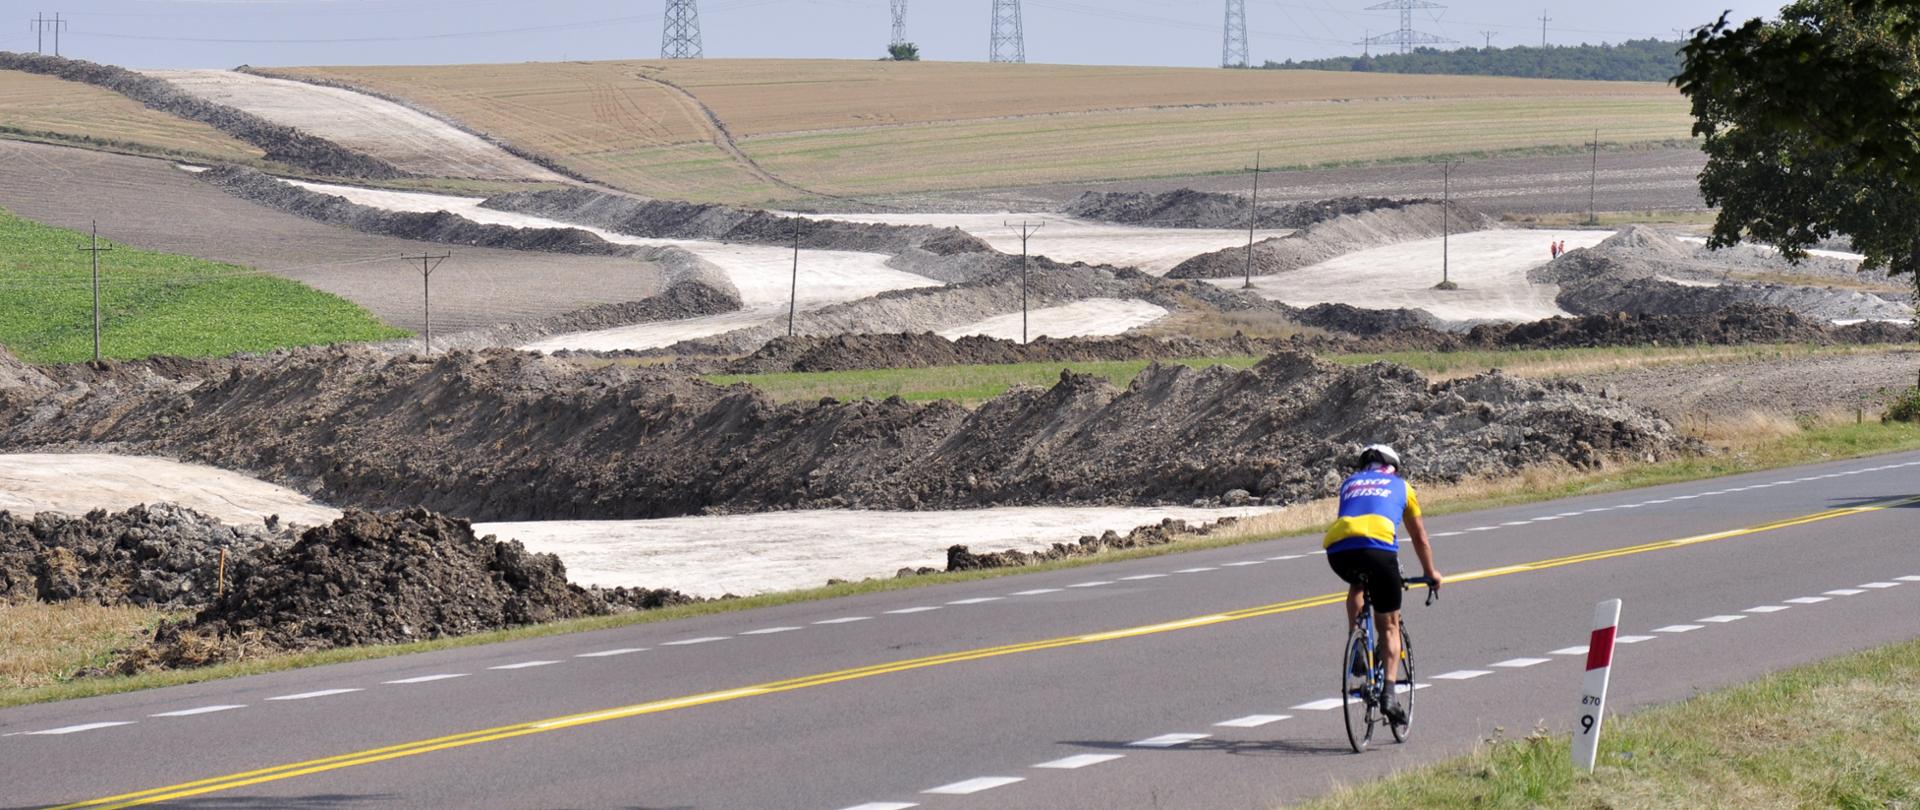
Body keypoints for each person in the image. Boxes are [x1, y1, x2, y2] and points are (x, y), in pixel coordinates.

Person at [1324, 444, 1442, 726]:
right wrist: (1431, 572)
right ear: (1393, 466)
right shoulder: (1402, 486)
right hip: (1379, 549)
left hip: (1339, 550)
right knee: (1389, 625)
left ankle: (1357, 648)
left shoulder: (1349, 484)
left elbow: (1352, 521)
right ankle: (1389, 694)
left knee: (1357, 587)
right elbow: (1420, 538)